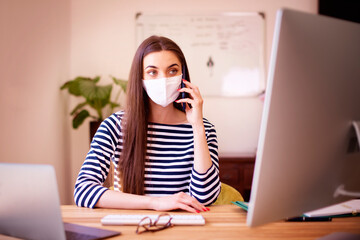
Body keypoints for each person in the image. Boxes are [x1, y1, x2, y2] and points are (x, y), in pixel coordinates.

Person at [74, 35, 221, 213]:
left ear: (183, 76)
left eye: (172, 71)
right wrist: (156, 203)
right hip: (132, 228)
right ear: (140, 79)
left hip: (184, 229)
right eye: (153, 72)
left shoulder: (203, 129)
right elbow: (83, 191)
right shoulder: (114, 126)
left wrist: (197, 127)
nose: (164, 79)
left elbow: (205, 197)